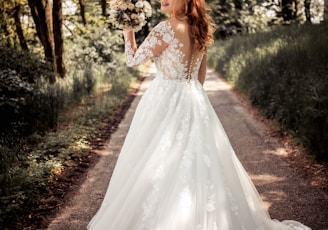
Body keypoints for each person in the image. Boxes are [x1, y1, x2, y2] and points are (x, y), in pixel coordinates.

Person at [87, 0, 312, 229]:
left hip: (163, 98)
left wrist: (128, 31)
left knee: (158, 157)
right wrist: (192, 98)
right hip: (194, 98)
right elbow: (201, 75)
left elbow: (133, 59)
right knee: (199, 157)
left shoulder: (165, 29)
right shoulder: (199, 29)